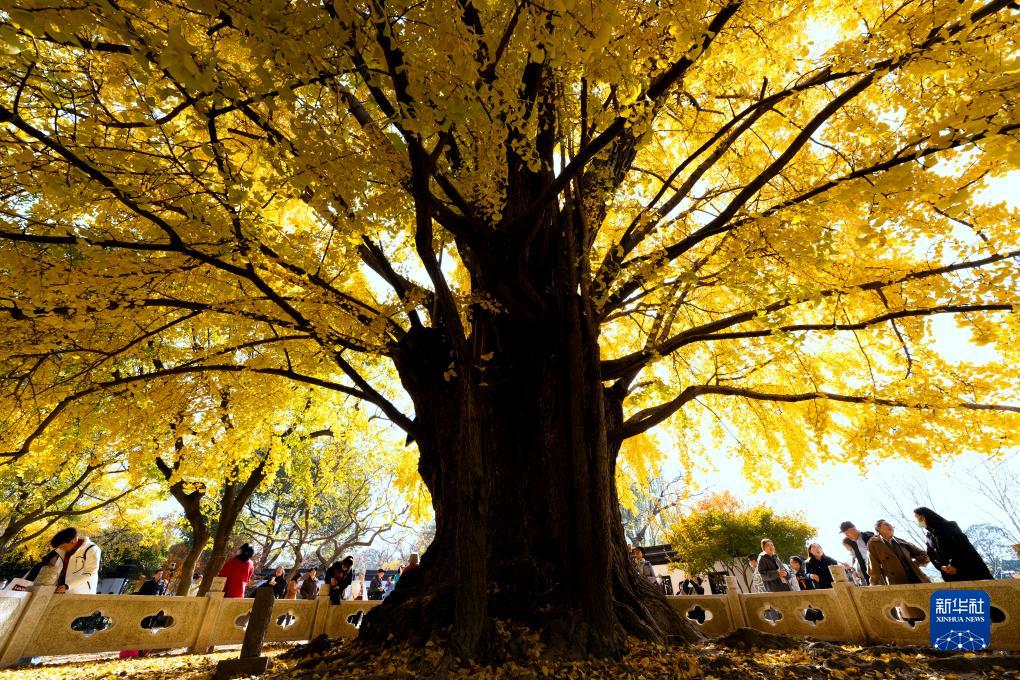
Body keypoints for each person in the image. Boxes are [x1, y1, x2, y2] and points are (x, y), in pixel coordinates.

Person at [914, 506, 994, 582]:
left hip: (971, 570)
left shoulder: (949, 527)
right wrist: (941, 567)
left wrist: (955, 565)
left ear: (927, 517)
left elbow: (964, 547)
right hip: (951, 575)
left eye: (920, 519)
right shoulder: (929, 537)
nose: (919, 522)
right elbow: (931, 555)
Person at [867, 519, 930, 585]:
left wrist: (915, 564)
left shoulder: (901, 541)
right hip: (897, 582)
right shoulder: (873, 543)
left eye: (890, 525)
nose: (890, 526)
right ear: (878, 528)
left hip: (918, 578)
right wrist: (874, 584)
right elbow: (873, 567)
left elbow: (924, 554)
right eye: (886, 524)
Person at [51, 527, 101, 594]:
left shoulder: (92, 549)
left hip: (81, 593)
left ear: (74, 540)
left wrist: (67, 586)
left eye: (63, 546)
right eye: (59, 547)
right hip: (60, 591)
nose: (61, 549)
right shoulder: (62, 550)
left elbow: (90, 573)